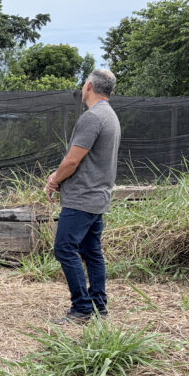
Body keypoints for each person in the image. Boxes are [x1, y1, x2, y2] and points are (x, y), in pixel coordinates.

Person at [45, 69, 121, 324]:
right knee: (91, 251)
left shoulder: (93, 117)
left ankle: (81, 308)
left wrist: (54, 179)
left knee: (64, 248)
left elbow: (73, 160)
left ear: (88, 86)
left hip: (82, 197)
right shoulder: (110, 116)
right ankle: (99, 306)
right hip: (97, 196)